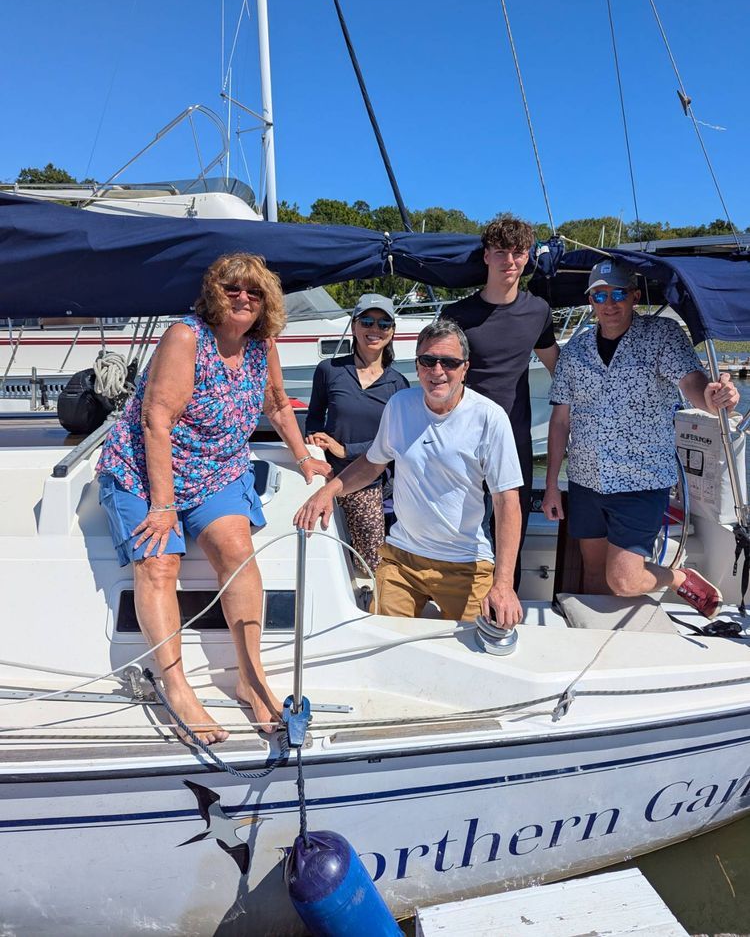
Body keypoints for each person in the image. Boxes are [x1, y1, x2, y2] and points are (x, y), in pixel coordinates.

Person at [97, 253, 330, 744]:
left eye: (255, 292)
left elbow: (278, 403)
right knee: (160, 562)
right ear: (214, 294)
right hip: (144, 469)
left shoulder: (261, 344)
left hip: (215, 470)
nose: (244, 299)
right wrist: (162, 508)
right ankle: (176, 685)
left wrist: (304, 456)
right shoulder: (186, 338)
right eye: (233, 290)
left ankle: (250, 675)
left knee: (239, 555)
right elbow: (154, 421)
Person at [542, 257, 740, 616]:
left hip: (641, 480)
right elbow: (559, 421)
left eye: (618, 293)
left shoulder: (662, 335)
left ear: (634, 296)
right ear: (591, 302)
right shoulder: (574, 352)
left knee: (624, 579)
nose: (610, 304)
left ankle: (679, 578)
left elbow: (690, 382)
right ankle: (601, 650)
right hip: (586, 479)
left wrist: (711, 399)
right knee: (592, 572)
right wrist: (553, 484)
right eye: (600, 296)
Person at [294, 319, 525, 627]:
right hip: (402, 558)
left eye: (449, 362)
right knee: (380, 641)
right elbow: (372, 463)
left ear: (465, 368)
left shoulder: (489, 418)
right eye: (428, 361)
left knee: (479, 647)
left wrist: (504, 584)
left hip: (466, 563)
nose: (437, 370)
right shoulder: (400, 405)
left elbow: (507, 501)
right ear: (417, 366)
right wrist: (329, 490)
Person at [442, 215, 558, 588]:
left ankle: (506, 600)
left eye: (518, 253)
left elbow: (560, 368)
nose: (510, 261)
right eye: (501, 252)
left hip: (514, 437)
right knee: (461, 523)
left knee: (512, 530)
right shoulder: (458, 315)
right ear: (487, 257)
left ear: (527, 258)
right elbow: (438, 376)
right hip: (462, 435)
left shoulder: (538, 311)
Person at [305, 293, 409, 574]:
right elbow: (314, 418)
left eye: (383, 324)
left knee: (370, 563)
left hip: (366, 480)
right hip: (326, 473)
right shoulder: (329, 370)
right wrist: (315, 442)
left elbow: (395, 443)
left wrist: (346, 450)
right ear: (354, 326)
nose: (374, 329)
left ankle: (366, 607)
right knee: (319, 549)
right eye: (367, 321)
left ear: (392, 332)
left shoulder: (398, 384)